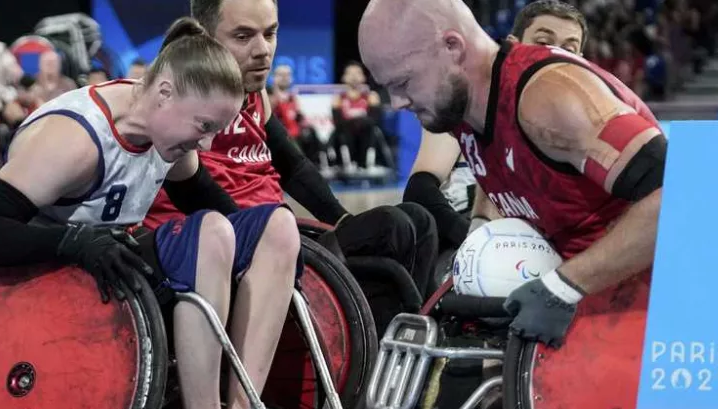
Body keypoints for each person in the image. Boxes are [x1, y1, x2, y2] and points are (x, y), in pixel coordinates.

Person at [0, 17, 302, 409]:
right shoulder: (76, 141)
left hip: (116, 270)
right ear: (165, 92)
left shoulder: (167, 130)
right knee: (210, 233)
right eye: (204, 127)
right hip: (53, 282)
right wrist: (74, 242)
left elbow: (224, 211)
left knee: (277, 227)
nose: (206, 145)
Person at [359, 0, 664, 348]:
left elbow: (679, 195)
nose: (396, 102)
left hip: (648, 306)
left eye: (403, 82)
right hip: (590, 293)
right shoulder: (464, 105)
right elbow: (503, 169)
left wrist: (564, 285)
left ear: (452, 47)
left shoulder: (548, 98)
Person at [145, 0, 438, 303]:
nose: (263, 50)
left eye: (270, 33)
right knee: (393, 229)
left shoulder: (255, 93)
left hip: (277, 230)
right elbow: (193, 190)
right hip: (241, 244)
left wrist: (341, 219)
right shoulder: (178, 101)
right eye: (243, 36)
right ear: (202, 37)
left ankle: (418, 338)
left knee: (420, 220)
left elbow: (293, 166)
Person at [404, 0, 589, 255]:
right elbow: (420, 190)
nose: (553, 54)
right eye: (544, 42)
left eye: (568, 48)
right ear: (514, 45)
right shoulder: (468, 103)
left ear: (580, 59)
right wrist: (475, 243)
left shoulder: (582, 125)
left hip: (535, 246)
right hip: (463, 234)